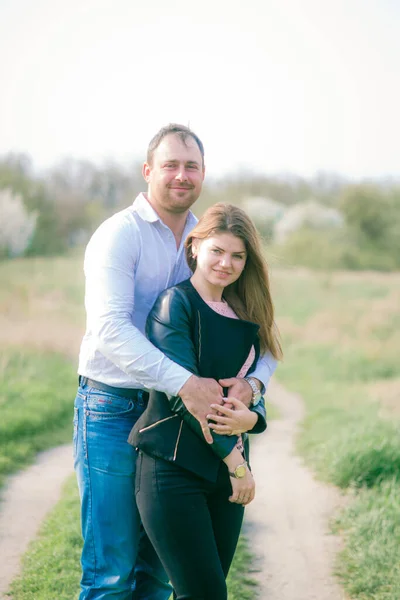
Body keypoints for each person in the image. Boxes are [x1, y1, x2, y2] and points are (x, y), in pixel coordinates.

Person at [74, 124, 277, 599]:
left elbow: (257, 329)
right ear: (148, 171)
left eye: (191, 166)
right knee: (112, 567)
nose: (181, 175)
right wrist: (185, 382)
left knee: (160, 571)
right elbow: (109, 329)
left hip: (178, 417)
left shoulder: (209, 238)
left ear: (203, 174)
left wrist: (255, 387)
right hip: (113, 404)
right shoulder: (118, 235)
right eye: (170, 165)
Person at [129, 203, 282, 600]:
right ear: (195, 247)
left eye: (237, 255)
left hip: (224, 474)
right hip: (173, 469)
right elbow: (191, 399)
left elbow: (248, 389)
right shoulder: (173, 306)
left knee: (210, 592)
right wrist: (238, 465)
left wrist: (254, 418)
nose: (226, 263)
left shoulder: (246, 311)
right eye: (217, 250)